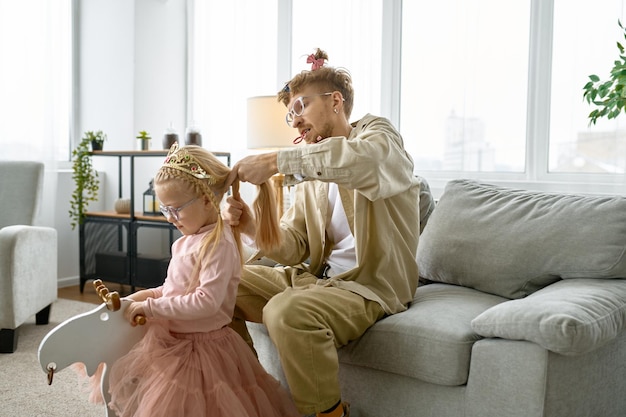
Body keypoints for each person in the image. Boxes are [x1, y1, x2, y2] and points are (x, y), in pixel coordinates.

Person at [223, 49, 423, 417]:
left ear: (335, 102)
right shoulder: (311, 176)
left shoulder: (379, 136)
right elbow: (293, 245)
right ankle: (253, 400)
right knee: (221, 281)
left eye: (301, 107)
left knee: (286, 312)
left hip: (369, 287)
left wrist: (275, 160)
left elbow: (365, 162)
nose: (295, 121)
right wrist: (250, 225)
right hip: (315, 282)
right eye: (290, 114)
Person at [79, 143, 299, 417]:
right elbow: (173, 290)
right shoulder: (187, 242)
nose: (170, 219)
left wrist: (151, 308)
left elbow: (205, 303)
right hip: (175, 338)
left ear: (208, 200)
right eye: (165, 210)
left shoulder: (218, 245)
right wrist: (140, 298)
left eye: (176, 210)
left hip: (203, 349)